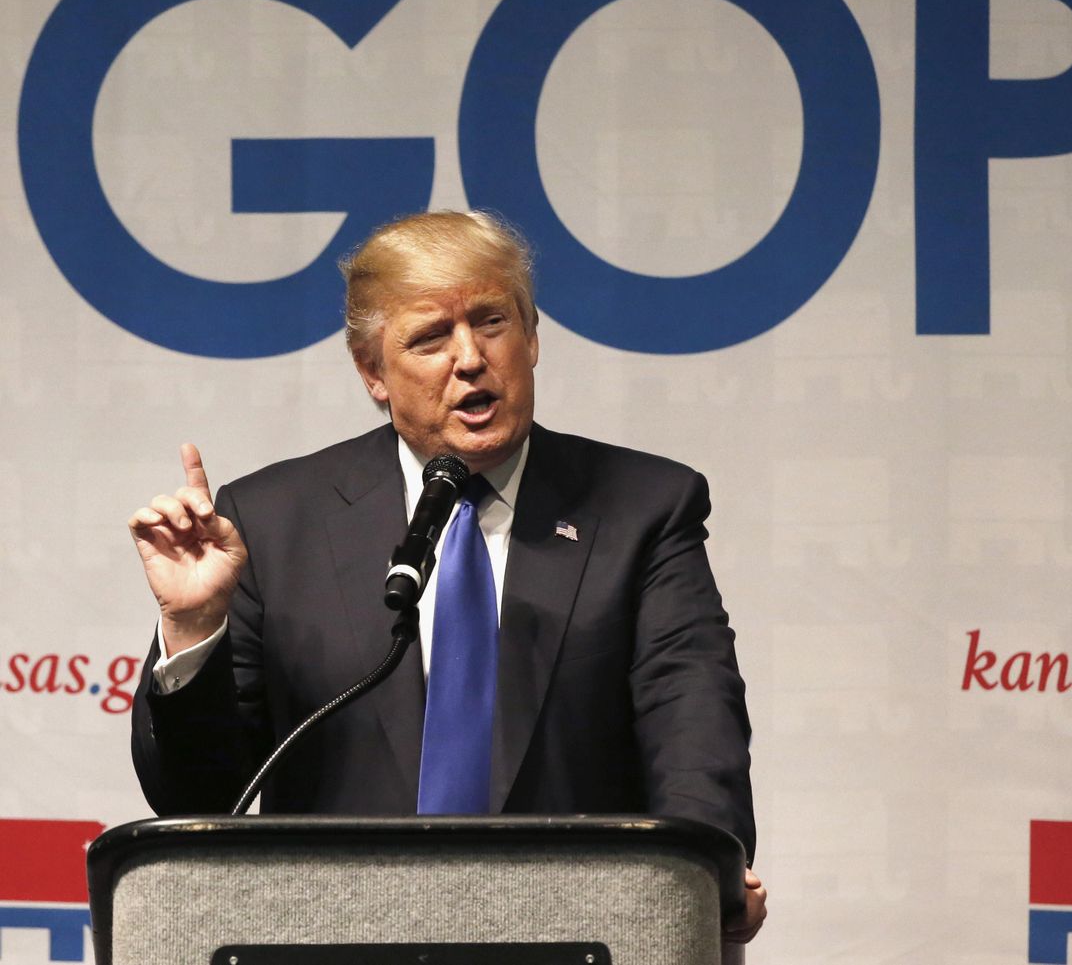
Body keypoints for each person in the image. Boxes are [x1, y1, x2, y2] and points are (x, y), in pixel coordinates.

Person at [128, 209, 766, 942]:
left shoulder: (645, 508)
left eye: (492, 322)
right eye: (431, 337)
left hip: (579, 938)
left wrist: (704, 870)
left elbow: (693, 723)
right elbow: (197, 795)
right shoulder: (271, 523)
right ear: (373, 372)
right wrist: (192, 626)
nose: (470, 358)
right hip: (337, 947)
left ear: (531, 337)